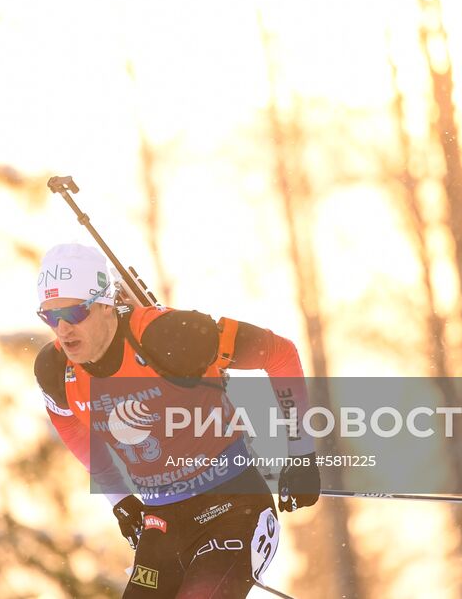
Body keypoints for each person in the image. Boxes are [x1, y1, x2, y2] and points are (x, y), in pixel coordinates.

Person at [33, 242, 321, 598]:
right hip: (163, 522)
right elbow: (71, 426)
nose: (62, 329)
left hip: (234, 507)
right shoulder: (55, 370)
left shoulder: (169, 335)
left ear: (105, 304)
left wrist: (303, 453)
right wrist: (120, 499)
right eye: (49, 316)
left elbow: (279, 354)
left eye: (74, 313)